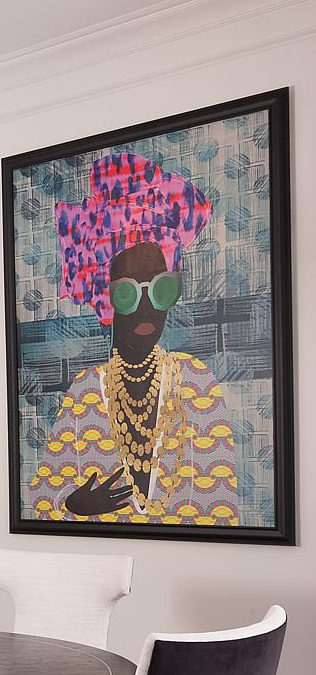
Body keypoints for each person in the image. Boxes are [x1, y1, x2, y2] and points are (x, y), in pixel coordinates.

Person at [30, 153, 238, 527]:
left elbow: (224, 509)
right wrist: (73, 504)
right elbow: (41, 503)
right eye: (128, 293)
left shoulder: (197, 382)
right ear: (105, 296)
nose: (146, 308)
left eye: (162, 290)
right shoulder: (86, 393)